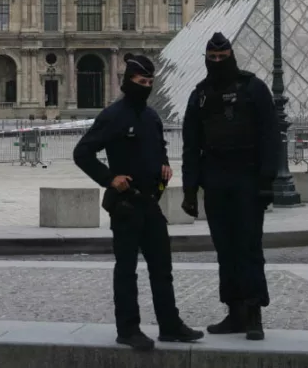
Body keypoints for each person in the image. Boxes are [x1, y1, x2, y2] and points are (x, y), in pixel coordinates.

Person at [73, 53, 204, 351]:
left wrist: (164, 165)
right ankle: (128, 328)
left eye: (149, 82)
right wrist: (109, 178)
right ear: (127, 82)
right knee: (126, 269)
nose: (145, 86)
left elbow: (158, 148)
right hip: (126, 205)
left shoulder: (152, 116)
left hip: (150, 203)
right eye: (140, 81)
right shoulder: (112, 115)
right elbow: (82, 153)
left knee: (162, 267)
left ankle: (170, 325)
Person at [180, 32, 278, 340]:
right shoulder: (200, 95)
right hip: (216, 179)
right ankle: (234, 312)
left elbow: (270, 138)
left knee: (249, 246)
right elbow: (190, 145)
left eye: (223, 58)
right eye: (213, 58)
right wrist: (189, 190)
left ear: (232, 56)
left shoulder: (254, 88)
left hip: (247, 178)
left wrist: (266, 182)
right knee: (225, 248)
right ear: (207, 59)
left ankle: (254, 313)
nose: (218, 62)